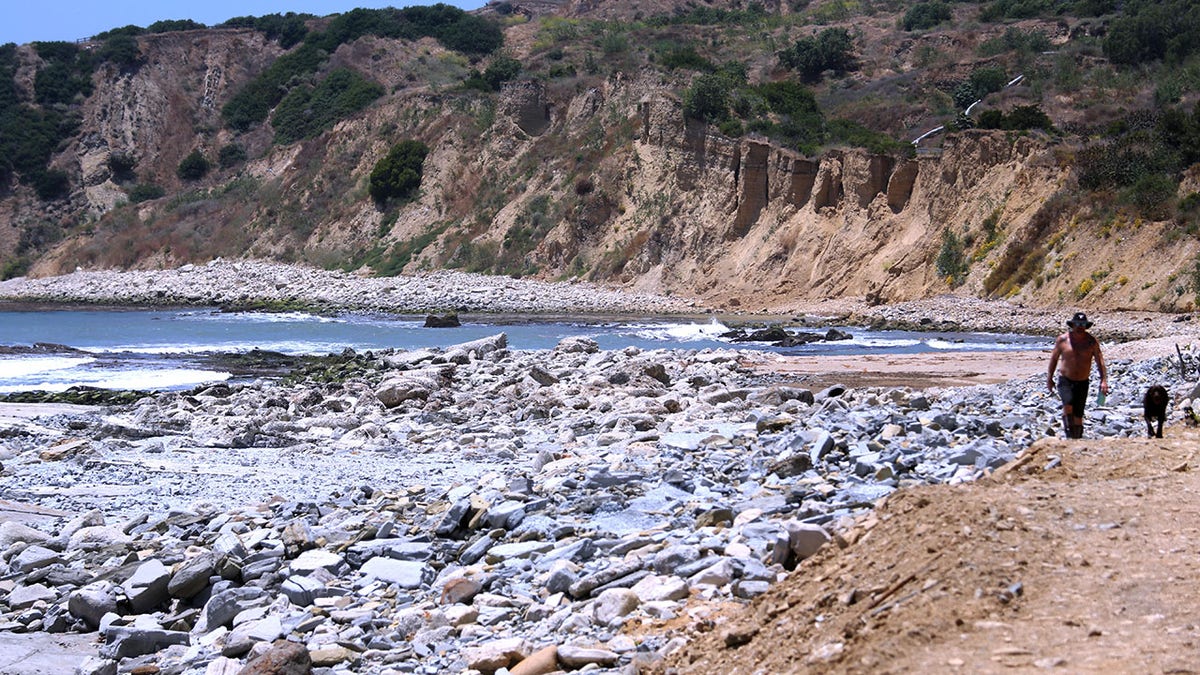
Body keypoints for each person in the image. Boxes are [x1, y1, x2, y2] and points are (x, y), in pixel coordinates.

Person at [1046, 312, 1109, 439]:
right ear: (1072, 325)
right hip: (1065, 380)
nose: (1080, 327)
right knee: (1068, 404)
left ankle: (1077, 438)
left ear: (1086, 326)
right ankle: (1069, 434)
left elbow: (1100, 361)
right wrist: (1049, 378)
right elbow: (1054, 359)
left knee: (1078, 415)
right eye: (1077, 324)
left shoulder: (1091, 342)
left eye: (1083, 324)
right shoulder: (1062, 340)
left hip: (1082, 382)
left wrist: (1103, 380)